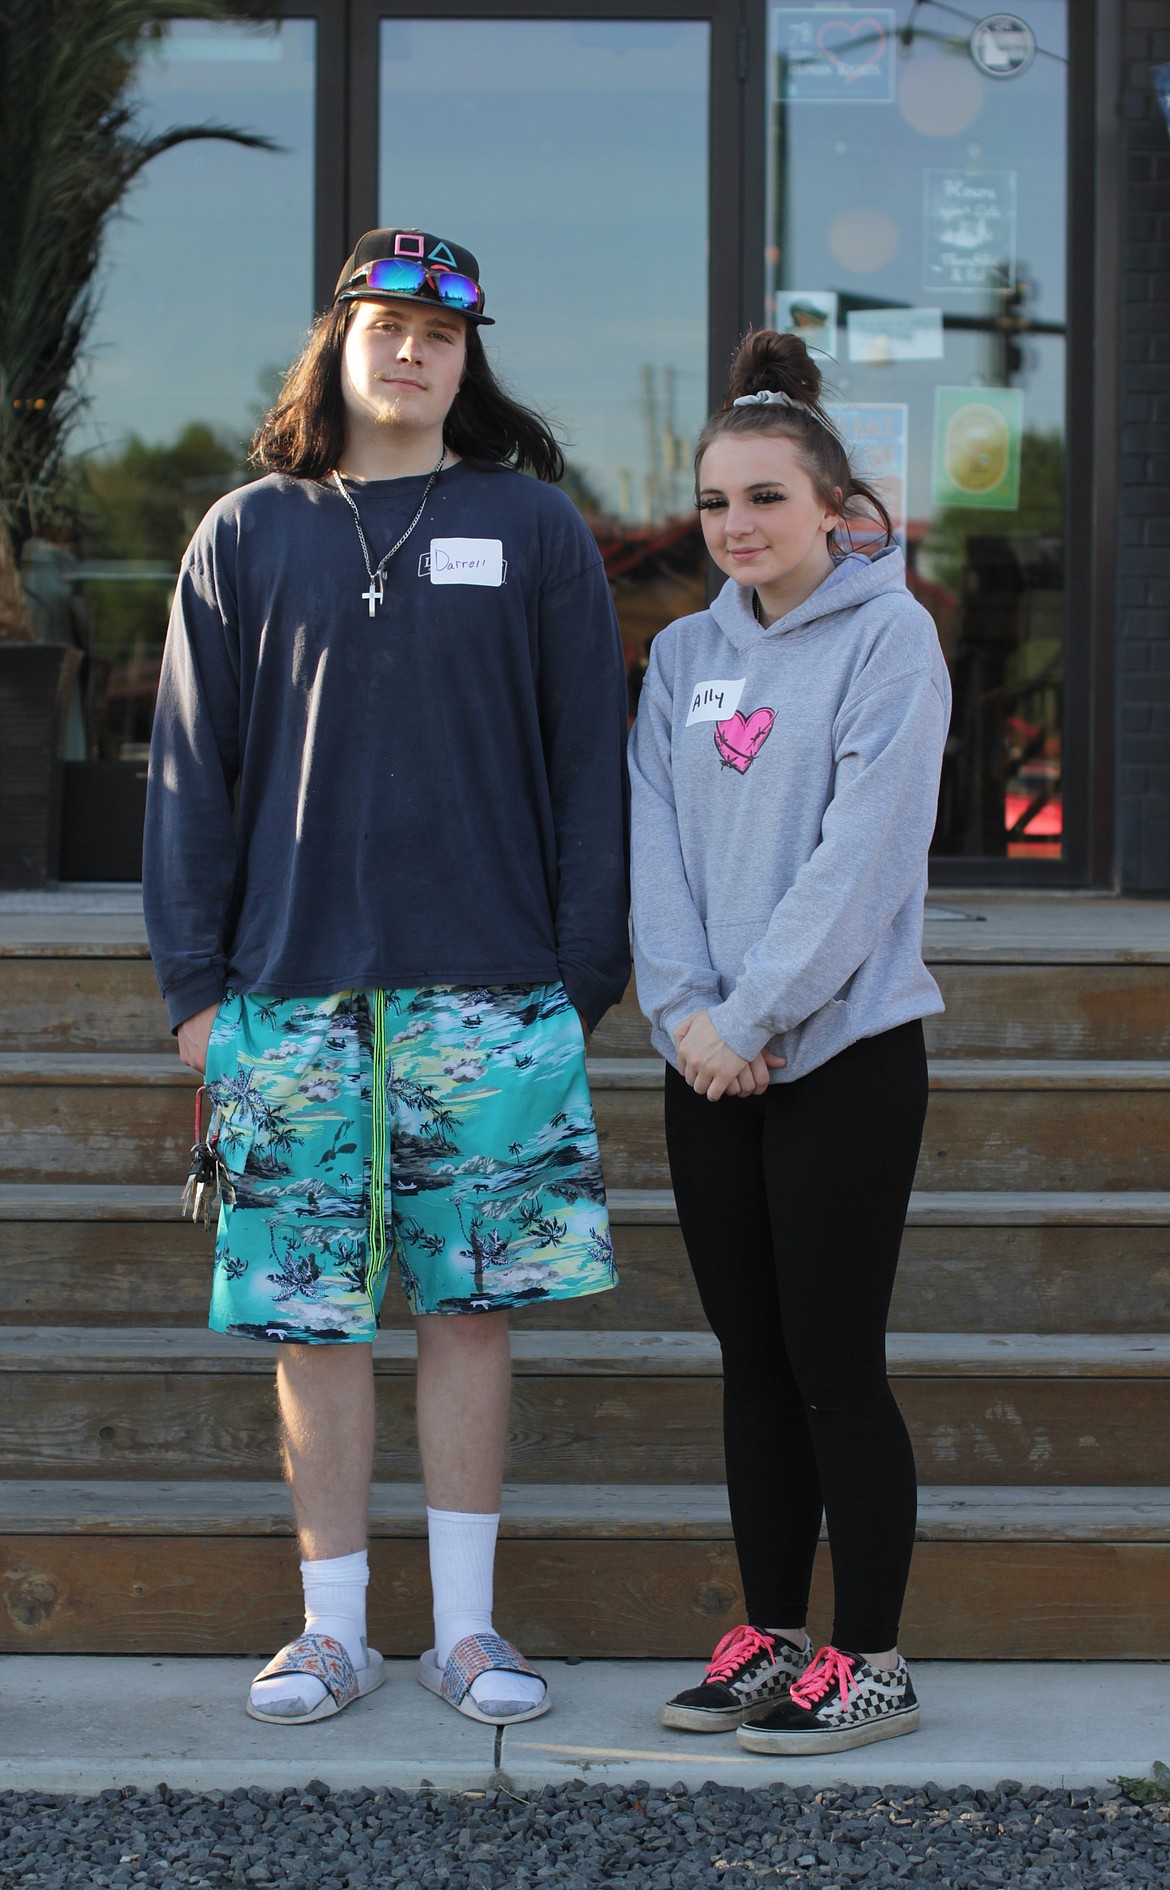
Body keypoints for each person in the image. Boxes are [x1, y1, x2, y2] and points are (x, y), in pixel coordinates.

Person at [144, 228, 630, 1728]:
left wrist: (577, 976)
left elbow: (586, 773)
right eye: (387, 322)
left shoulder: (535, 529)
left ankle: (468, 1632)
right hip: (288, 995)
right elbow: (186, 781)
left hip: (492, 992)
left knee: (471, 1311)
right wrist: (196, 993)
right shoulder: (245, 532)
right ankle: (334, 1629)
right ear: (337, 343)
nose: (412, 349)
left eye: (442, 330)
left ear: (467, 359)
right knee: (313, 1318)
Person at [628, 328, 951, 1755]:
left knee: (831, 1354)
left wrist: (750, 1019)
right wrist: (687, 1020)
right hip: (706, 1061)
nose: (736, 525)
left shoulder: (891, 636)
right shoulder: (684, 653)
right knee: (747, 1357)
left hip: (842, 1058)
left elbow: (861, 859)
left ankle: (869, 1657)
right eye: (713, 502)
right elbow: (653, 852)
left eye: (764, 497)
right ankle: (769, 1637)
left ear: (832, 505)